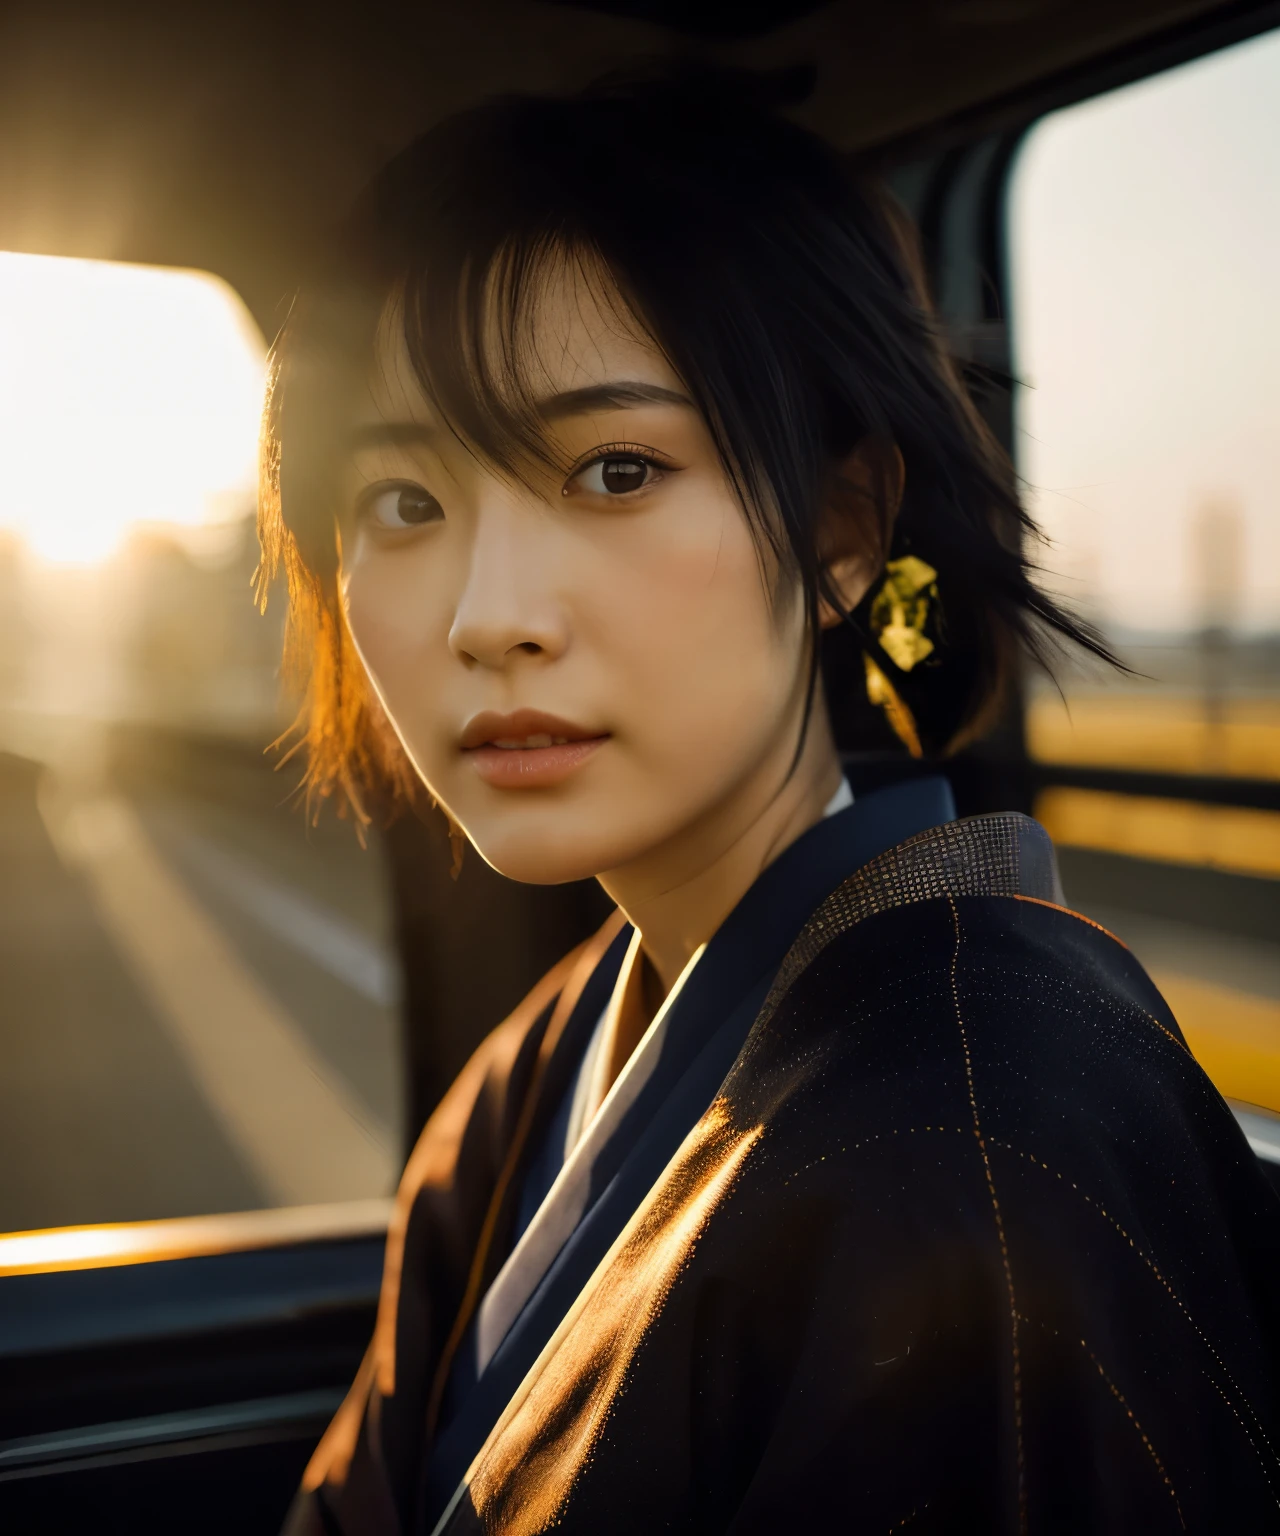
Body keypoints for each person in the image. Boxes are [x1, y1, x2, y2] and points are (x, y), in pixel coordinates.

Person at [261, 68, 1280, 1535]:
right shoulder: (535, 1068)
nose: (489, 616)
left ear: (842, 529)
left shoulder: (981, 1160)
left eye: (617, 470)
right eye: (404, 504)